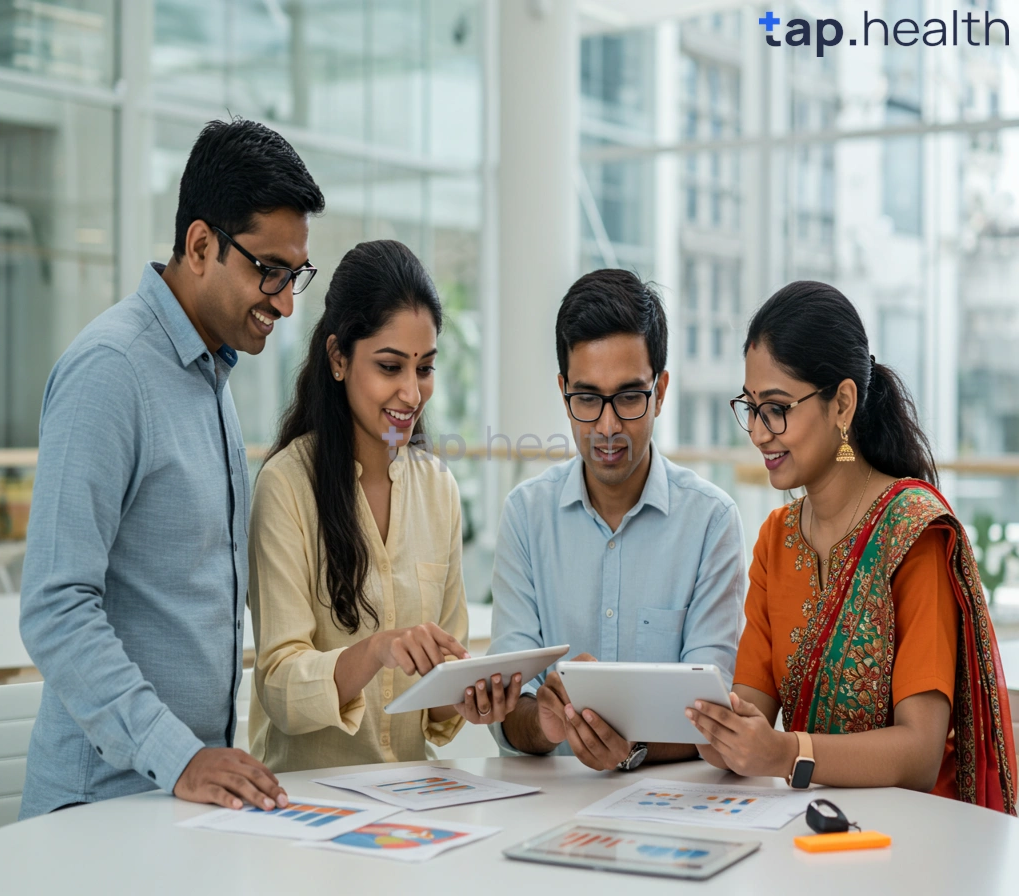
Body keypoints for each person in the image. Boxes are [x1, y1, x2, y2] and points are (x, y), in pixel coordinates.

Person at [18, 118, 326, 818]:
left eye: (295, 274)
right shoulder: (112, 372)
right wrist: (178, 753)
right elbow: (55, 607)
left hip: (179, 804)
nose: (284, 300)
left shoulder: (211, 381)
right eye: (269, 271)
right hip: (100, 814)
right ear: (199, 245)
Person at [687, 280, 1017, 813]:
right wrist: (712, 728)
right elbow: (749, 707)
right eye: (749, 408)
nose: (757, 432)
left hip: (919, 837)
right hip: (810, 827)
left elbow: (919, 754)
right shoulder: (776, 539)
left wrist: (786, 753)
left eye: (775, 408)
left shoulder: (913, 532)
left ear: (842, 403)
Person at [248, 239, 519, 773]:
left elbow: (438, 698)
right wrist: (375, 652)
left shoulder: (439, 490)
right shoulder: (286, 486)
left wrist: (472, 698)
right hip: (308, 807)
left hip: (409, 805)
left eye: (425, 369)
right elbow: (279, 686)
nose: (412, 394)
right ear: (338, 359)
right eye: (390, 367)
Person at [489, 269, 746, 772]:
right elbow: (510, 710)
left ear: (662, 390)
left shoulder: (711, 523)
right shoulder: (526, 516)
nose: (607, 426)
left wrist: (630, 747)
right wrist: (545, 722)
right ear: (563, 392)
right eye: (587, 399)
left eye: (629, 397)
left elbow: (714, 717)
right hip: (545, 808)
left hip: (672, 810)